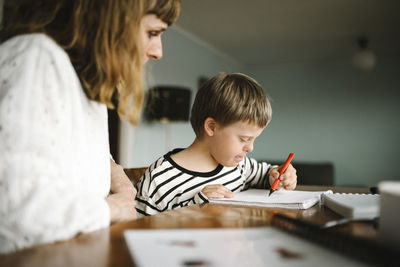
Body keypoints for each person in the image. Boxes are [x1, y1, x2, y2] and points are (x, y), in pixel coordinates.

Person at [0, 0, 181, 253]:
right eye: (152, 33)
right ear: (108, 20)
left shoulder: (87, 90)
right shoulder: (38, 57)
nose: (158, 52)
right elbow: (17, 214)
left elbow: (73, 145)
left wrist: (118, 176)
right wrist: (115, 208)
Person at [136, 72, 297, 216]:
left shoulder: (239, 165)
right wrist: (196, 206)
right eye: (244, 139)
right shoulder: (159, 179)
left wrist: (280, 175)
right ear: (211, 127)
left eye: (254, 139)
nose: (250, 148)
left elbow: (266, 175)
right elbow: (139, 231)